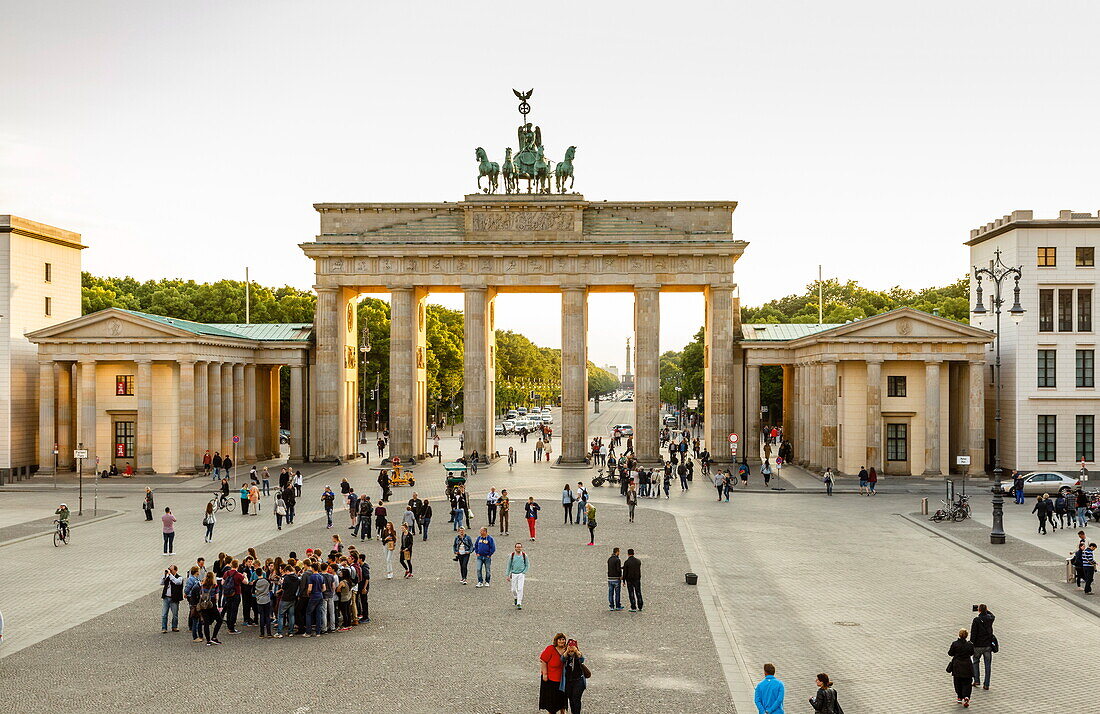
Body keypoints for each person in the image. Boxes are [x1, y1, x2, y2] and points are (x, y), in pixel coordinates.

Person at [539, 633, 568, 713]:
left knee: (562, 700)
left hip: (563, 680)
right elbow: (543, 660)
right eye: (560, 639)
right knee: (552, 702)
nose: (562, 641)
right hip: (551, 680)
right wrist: (545, 674)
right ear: (556, 641)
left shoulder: (567, 650)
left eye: (563, 639)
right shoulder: (550, 649)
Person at [970, 604, 995, 690]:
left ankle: (976, 680)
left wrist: (971, 643)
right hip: (987, 646)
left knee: (975, 662)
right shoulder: (990, 619)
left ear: (979, 610)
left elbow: (973, 633)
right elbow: (992, 615)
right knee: (988, 665)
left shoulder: (976, 620)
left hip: (977, 646)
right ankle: (986, 684)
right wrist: (986, 610)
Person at [948, 628, 975, 706]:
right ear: (966, 636)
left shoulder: (955, 644)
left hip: (957, 666)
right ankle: (966, 696)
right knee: (967, 682)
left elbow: (950, 653)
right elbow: (972, 653)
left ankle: (959, 697)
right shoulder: (970, 644)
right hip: (967, 666)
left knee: (957, 682)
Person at [562, 639, 589, 713]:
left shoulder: (578, 655)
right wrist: (567, 651)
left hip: (578, 681)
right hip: (569, 682)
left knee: (576, 699)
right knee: (571, 699)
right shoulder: (566, 655)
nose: (571, 652)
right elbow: (562, 659)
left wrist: (576, 651)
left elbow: (582, 660)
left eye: (572, 649)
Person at [160, 565, 183, 633]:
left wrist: (170, 575)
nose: (170, 571)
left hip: (174, 599)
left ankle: (174, 626)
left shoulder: (179, 578)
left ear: (176, 570)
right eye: (169, 569)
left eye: (171, 570)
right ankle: (164, 628)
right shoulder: (167, 576)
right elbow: (161, 583)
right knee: (164, 614)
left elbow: (177, 582)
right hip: (166, 597)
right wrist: (164, 576)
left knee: (175, 614)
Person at [507, 542, 529, 609]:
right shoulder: (512, 555)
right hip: (514, 574)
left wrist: (524, 572)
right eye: (517, 547)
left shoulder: (524, 555)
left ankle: (519, 603)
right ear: (515, 548)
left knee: (520, 588)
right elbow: (509, 565)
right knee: (513, 589)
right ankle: (516, 597)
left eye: (520, 547)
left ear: (521, 548)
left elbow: (527, 565)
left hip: (521, 574)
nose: (518, 548)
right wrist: (508, 574)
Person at [253, 568, 273, 638]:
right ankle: (269, 633)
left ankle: (262, 633)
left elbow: (253, 591)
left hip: (259, 600)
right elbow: (270, 589)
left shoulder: (255, 582)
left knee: (261, 616)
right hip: (267, 599)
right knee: (267, 616)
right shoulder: (267, 580)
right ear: (262, 573)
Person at [607, 547, 623, 611]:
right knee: (617, 593)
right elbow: (618, 569)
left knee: (610, 593)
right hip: (616, 578)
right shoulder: (617, 560)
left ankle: (611, 606)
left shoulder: (609, 559)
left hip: (610, 578)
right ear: (617, 552)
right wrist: (620, 576)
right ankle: (617, 605)